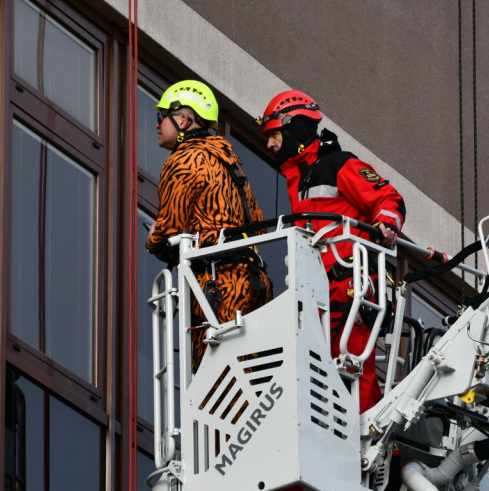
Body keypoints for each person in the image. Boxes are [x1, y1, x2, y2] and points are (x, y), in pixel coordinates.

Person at [256, 90, 406, 412]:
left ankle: (379, 456)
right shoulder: (296, 182)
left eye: (274, 135)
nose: (269, 145)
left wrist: (386, 224)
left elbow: (388, 199)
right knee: (317, 375)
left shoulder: (338, 165)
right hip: (319, 293)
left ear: (292, 126)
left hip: (350, 287)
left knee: (354, 371)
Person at [145, 80, 272, 370]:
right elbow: (259, 227)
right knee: (251, 375)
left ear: (182, 119)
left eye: (160, 116)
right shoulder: (230, 162)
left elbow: (169, 229)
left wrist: (153, 239)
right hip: (255, 281)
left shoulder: (184, 160)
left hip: (218, 285)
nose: (156, 125)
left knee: (218, 381)